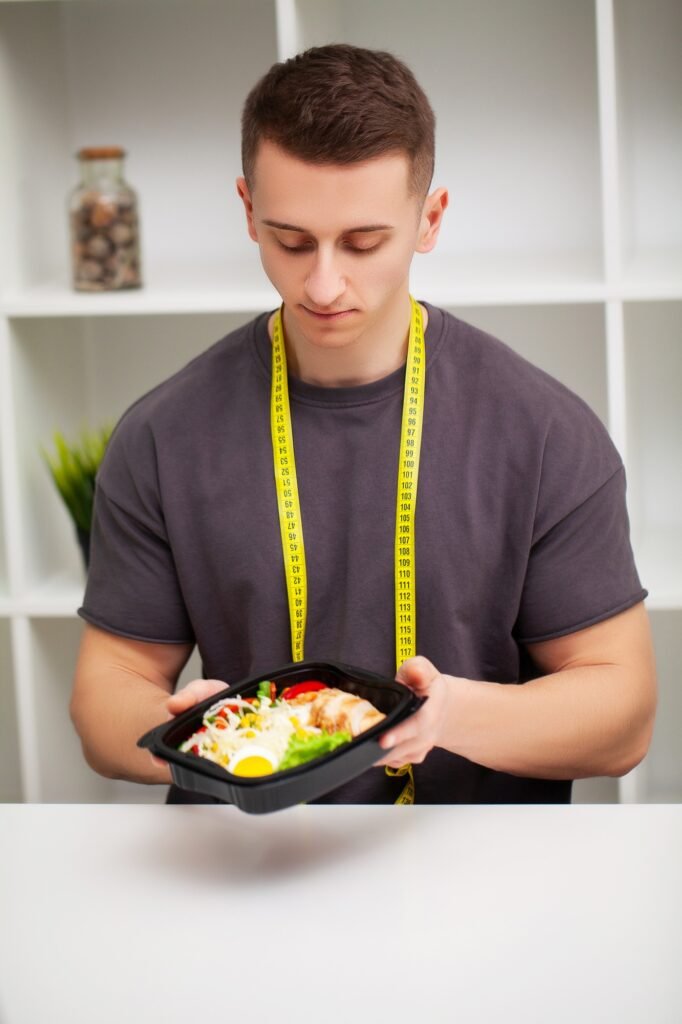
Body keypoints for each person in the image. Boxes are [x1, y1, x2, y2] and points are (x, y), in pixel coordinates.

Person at [70, 43, 656, 805]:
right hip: (247, 869)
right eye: (290, 240)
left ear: (430, 218)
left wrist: (447, 718)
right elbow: (105, 697)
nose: (322, 283)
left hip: (482, 878)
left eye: (363, 242)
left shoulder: (544, 432)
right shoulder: (162, 434)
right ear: (247, 211)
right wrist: (189, 734)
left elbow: (624, 717)